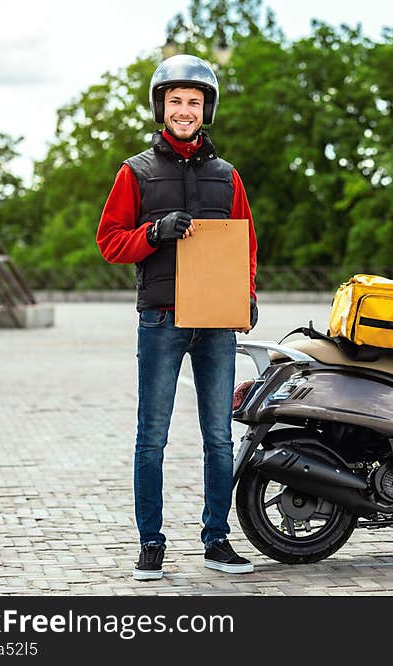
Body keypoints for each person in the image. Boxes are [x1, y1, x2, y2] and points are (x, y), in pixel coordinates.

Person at [96, 54, 258, 580]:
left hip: (214, 322)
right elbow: (109, 242)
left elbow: (246, 245)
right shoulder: (135, 172)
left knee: (219, 436)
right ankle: (151, 544)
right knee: (153, 436)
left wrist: (246, 295)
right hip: (161, 321)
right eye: (175, 101)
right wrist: (155, 232)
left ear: (205, 108)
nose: (184, 110)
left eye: (193, 101)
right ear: (161, 108)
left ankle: (217, 540)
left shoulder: (226, 176)